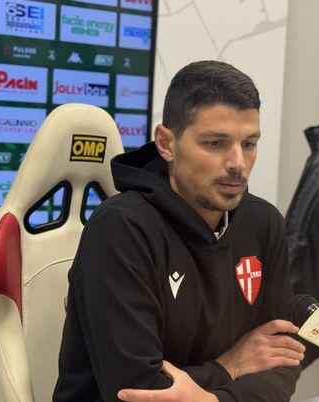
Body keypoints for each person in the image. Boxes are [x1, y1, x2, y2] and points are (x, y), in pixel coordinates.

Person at [53, 60, 305, 402]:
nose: (238, 163)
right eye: (215, 143)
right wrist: (230, 366)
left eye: (249, 144)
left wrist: (215, 399)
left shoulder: (264, 223)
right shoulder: (120, 229)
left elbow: (281, 359)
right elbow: (137, 392)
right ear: (166, 144)